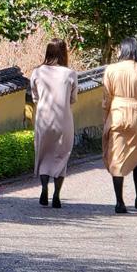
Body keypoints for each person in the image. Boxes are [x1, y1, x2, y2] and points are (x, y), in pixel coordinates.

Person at [101, 36, 137, 214]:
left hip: (117, 114)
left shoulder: (111, 69)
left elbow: (106, 98)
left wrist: (106, 118)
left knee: (117, 157)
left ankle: (119, 202)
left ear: (122, 50)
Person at [31, 39, 78, 208]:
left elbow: (35, 97)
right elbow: (73, 99)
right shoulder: (70, 74)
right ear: (64, 52)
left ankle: (44, 188)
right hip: (63, 118)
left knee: (44, 155)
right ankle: (57, 195)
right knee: (61, 155)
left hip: (43, 118)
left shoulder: (37, 72)